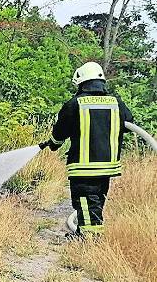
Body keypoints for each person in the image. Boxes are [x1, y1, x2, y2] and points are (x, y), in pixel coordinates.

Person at [39, 62, 134, 238]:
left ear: (82, 82)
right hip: (107, 167)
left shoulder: (75, 104)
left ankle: (88, 240)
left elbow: (60, 132)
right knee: (96, 202)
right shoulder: (116, 103)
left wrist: (53, 144)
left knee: (84, 202)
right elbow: (129, 124)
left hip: (83, 168)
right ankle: (89, 234)